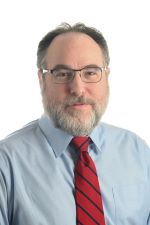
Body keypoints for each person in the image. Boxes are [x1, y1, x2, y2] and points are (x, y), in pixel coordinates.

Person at [0, 22, 150, 225]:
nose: (78, 89)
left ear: (106, 77)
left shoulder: (138, 151)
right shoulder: (6, 163)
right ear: (41, 80)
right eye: (62, 74)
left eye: (90, 72)